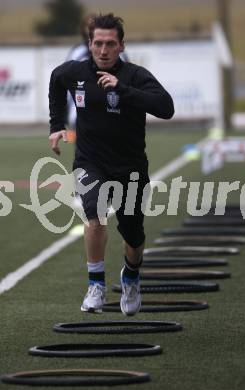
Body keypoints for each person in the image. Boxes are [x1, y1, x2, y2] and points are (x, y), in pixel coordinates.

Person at [48, 13, 174, 316]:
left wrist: (122, 90)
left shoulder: (134, 75)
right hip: (90, 161)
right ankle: (96, 286)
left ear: (121, 46)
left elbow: (166, 108)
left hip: (129, 164)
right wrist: (56, 124)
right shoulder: (74, 72)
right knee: (95, 216)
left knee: (133, 232)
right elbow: (56, 81)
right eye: (98, 43)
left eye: (110, 44)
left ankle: (131, 277)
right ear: (90, 44)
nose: (104, 50)